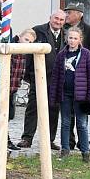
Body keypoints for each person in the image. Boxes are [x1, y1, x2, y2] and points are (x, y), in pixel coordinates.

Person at [17, 10, 67, 151]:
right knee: (33, 107)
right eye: (56, 18)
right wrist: (30, 74)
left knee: (53, 109)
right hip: (39, 76)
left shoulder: (66, 34)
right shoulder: (38, 30)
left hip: (57, 79)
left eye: (61, 20)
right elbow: (27, 53)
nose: (58, 21)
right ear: (50, 18)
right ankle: (27, 138)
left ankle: (49, 139)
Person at [49, 28, 90, 162]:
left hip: (81, 96)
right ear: (66, 39)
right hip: (66, 94)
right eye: (70, 38)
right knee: (65, 122)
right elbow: (56, 76)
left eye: (75, 38)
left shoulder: (86, 54)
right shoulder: (61, 55)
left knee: (81, 124)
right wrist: (54, 96)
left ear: (80, 39)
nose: (72, 41)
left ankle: (85, 152)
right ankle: (65, 150)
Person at [8, 28, 36, 150]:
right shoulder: (11, 47)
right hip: (4, 86)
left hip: (14, 87)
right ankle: (2, 139)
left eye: (30, 42)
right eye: (26, 39)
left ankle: (4, 138)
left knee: (9, 114)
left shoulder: (26, 53)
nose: (27, 43)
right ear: (19, 37)